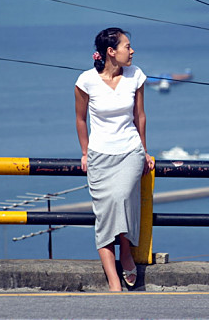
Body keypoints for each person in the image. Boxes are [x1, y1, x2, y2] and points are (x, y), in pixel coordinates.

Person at [74, 27, 155, 291]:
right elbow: (80, 119)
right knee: (105, 214)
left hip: (130, 151)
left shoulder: (136, 76)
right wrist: (85, 152)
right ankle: (113, 281)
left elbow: (140, 116)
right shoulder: (85, 81)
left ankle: (126, 251)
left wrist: (144, 150)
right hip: (99, 155)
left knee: (121, 198)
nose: (131, 51)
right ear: (111, 52)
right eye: (126, 46)